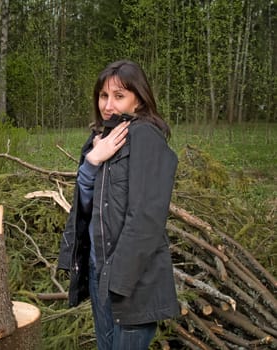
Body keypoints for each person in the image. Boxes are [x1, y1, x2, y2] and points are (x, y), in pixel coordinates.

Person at [58, 59, 179, 350]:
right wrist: (91, 161)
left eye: (119, 96)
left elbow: (146, 219)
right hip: (99, 271)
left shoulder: (146, 138)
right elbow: (85, 209)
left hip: (130, 281)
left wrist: (117, 281)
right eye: (103, 95)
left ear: (139, 99)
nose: (108, 105)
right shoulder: (100, 140)